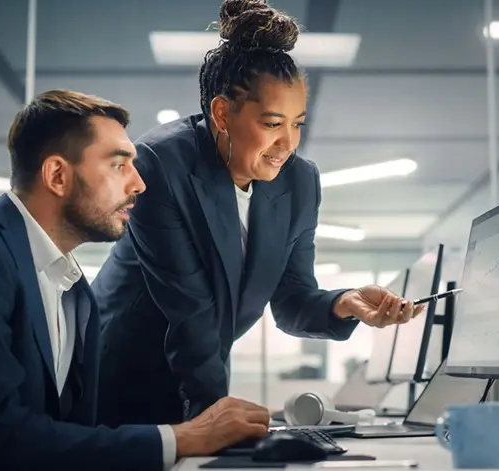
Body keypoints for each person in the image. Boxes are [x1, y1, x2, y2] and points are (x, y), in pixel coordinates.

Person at [0, 90, 270, 470]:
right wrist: (183, 437)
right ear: (58, 175)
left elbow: (67, 437)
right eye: (119, 165)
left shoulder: (74, 291)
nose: (139, 184)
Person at [91, 0, 425, 428]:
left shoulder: (298, 182)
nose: (288, 143)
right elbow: (191, 314)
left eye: (297, 123)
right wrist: (217, 420)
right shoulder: (162, 164)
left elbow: (291, 298)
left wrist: (344, 304)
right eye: (272, 124)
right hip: (119, 379)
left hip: (198, 368)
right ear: (222, 113)